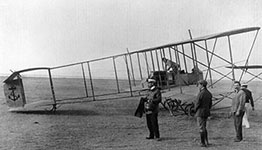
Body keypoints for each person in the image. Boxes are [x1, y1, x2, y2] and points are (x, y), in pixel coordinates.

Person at [194, 80, 212, 147]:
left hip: (200, 112)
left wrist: (195, 110)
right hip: (206, 112)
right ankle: (206, 141)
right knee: (204, 127)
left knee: (201, 127)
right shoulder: (208, 93)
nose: (198, 86)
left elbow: (197, 104)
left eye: (199, 84)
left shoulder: (200, 93)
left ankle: (203, 143)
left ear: (201, 85)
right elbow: (210, 104)